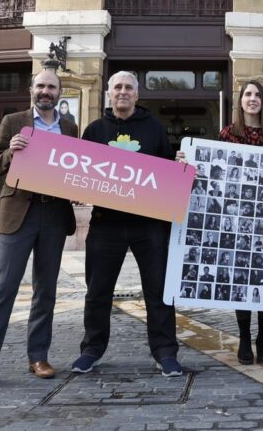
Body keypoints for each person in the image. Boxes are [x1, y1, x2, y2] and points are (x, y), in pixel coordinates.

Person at [0, 69, 78, 394]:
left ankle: (38, 356)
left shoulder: (69, 127)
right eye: (40, 85)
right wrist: (11, 152)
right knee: (3, 290)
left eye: (51, 87)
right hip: (19, 214)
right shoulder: (13, 122)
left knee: (46, 291)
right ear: (31, 90)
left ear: (59, 92)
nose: (45, 91)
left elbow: (75, 170)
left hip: (54, 214)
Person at [72, 71, 183, 377]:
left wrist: (181, 166)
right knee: (97, 291)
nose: (123, 92)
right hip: (106, 224)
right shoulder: (94, 131)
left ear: (137, 94)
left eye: (129, 88)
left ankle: (165, 352)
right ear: (108, 93)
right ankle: (92, 349)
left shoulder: (155, 129)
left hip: (149, 226)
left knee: (158, 291)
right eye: (117, 87)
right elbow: (81, 176)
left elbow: (169, 173)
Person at [177, 79, 263, 366]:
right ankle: (245, 338)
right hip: (235, 218)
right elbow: (218, 171)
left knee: (261, 275)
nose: (252, 99)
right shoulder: (228, 133)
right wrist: (190, 162)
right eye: (247, 94)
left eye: (257, 95)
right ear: (240, 101)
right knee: (241, 276)